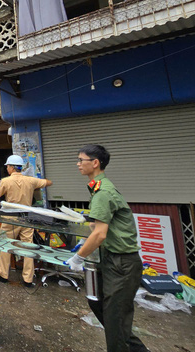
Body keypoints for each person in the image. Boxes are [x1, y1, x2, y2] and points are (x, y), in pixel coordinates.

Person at [65, 144, 148, 352]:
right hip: (111, 259)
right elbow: (98, 227)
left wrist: (79, 258)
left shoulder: (103, 191)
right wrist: (88, 239)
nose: (78, 164)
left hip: (121, 263)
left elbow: (100, 233)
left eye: (81, 160)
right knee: (103, 309)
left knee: (115, 321)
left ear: (95, 163)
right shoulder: (98, 188)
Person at [0, 155, 52, 287]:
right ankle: (28, 279)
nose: (7, 168)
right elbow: (48, 182)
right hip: (26, 218)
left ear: (12, 167)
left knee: (6, 245)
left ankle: (3, 274)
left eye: (7, 166)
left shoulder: (6, 181)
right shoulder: (31, 180)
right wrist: (34, 187)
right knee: (27, 247)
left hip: (10, 219)